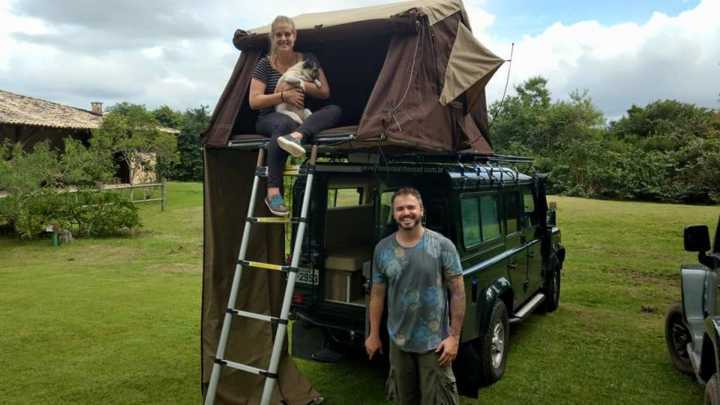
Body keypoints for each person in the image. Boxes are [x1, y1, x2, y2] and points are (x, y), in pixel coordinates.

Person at [365, 187, 466, 405]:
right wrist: (373, 334)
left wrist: (454, 338)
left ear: (421, 210)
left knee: (438, 400)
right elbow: (377, 295)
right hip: (398, 341)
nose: (406, 213)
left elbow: (458, 292)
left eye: (411, 207)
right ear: (393, 214)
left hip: (435, 344)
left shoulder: (442, 245)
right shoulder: (382, 249)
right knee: (403, 400)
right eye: (400, 209)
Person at [249, 15, 342, 216]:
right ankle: (273, 192)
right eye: (279, 35)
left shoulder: (307, 59)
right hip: (271, 117)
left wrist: (300, 85)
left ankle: (297, 136)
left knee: (335, 110)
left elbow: (324, 91)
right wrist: (284, 95)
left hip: (300, 117)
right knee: (283, 123)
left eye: (287, 34)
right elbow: (254, 101)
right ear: (272, 37)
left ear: (294, 35)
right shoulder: (264, 65)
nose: (284, 38)